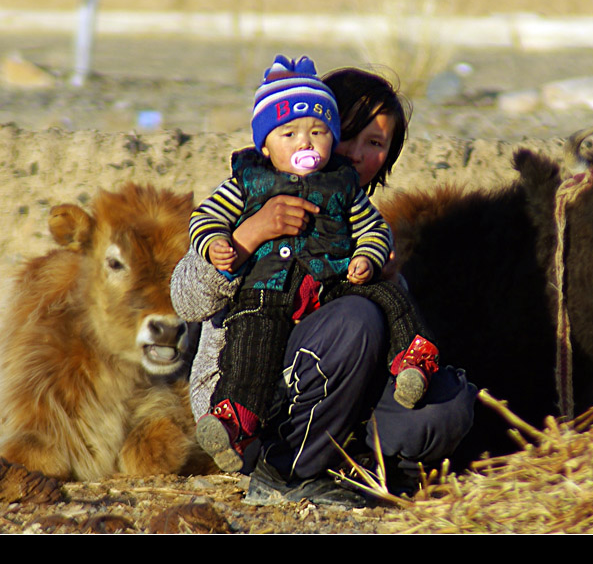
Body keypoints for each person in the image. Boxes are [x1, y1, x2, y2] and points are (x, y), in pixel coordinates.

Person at [170, 63, 476, 508]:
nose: (355, 153)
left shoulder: (365, 228)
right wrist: (248, 235)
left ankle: (360, 476)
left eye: (375, 144)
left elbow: (392, 321)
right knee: (355, 317)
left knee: (448, 403)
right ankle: (283, 470)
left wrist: (386, 276)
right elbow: (186, 300)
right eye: (347, 133)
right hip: (251, 389)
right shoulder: (257, 195)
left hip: (344, 404)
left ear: (388, 158)